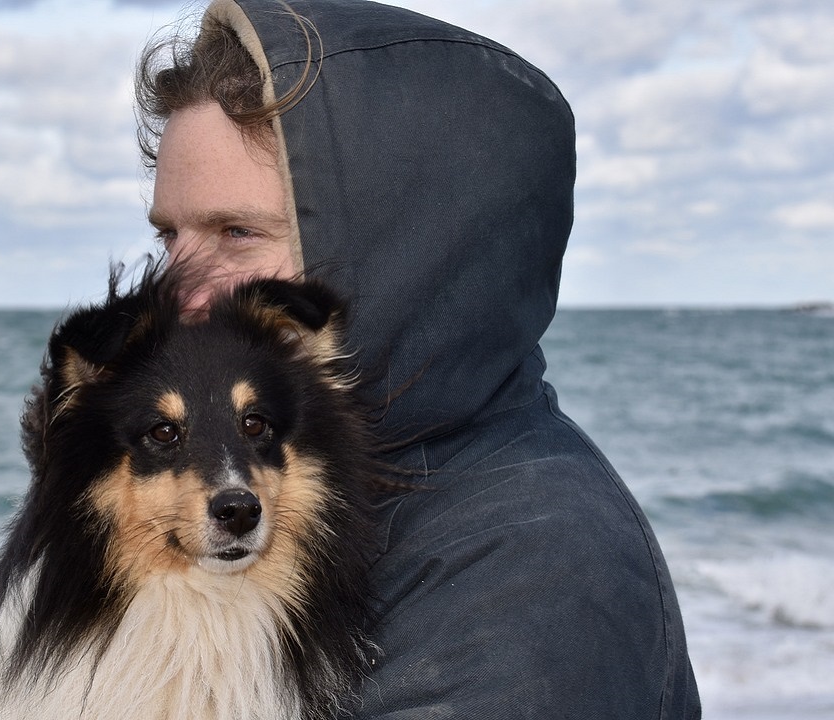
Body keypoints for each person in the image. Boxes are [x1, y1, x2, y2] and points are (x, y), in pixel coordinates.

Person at [135, 0, 702, 717]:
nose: (173, 296)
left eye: (237, 233)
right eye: (169, 240)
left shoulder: (535, 568)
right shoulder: (320, 489)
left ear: (410, 253)